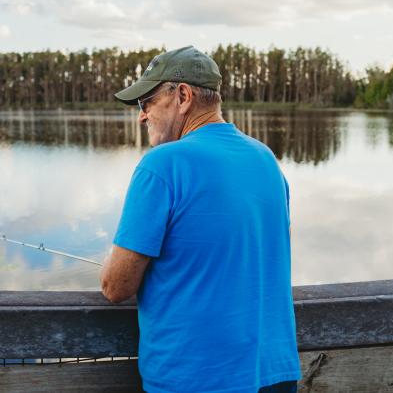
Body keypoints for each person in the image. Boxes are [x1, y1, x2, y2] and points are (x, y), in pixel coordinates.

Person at [100, 46, 301, 393]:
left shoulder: (163, 164)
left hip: (197, 380)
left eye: (146, 102)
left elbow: (115, 287)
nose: (142, 116)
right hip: (275, 375)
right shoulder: (266, 160)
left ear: (182, 95)